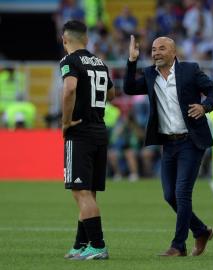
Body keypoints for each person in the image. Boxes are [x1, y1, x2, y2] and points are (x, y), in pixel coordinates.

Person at [124, 35, 213, 256]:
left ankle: (178, 245)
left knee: (182, 193)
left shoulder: (190, 69)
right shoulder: (150, 74)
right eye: (153, 49)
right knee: (170, 195)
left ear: (173, 52)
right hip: (168, 143)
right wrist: (132, 60)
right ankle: (201, 231)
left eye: (161, 49)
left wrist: (204, 107)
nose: (156, 52)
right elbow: (129, 88)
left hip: (191, 140)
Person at [60, 20, 115, 260]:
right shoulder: (100, 63)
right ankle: (80, 244)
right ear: (87, 39)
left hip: (80, 131)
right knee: (88, 193)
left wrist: (65, 122)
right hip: (99, 130)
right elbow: (111, 93)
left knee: (80, 192)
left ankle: (98, 244)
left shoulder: (68, 61)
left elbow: (69, 89)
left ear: (65, 40)